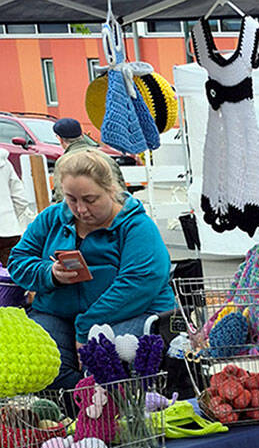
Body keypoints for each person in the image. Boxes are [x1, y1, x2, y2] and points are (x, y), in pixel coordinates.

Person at [7, 149, 174, 391]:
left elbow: (138, 284)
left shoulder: (137, 226)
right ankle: (82, 412)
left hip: (131, 313)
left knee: (108, 361)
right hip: (58, 313)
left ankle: (110, 410)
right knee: (43, 367)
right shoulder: (51, 218)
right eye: (71, 199)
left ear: (111, 190)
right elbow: (18, 261)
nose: (80, 209)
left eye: (90, 199)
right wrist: (49, 273)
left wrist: (86, 326)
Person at [51, 117, 126, 201]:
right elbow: (122, 189)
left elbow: (61, 196)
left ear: (60, 139)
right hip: (115, 208)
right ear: (82, 135)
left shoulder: (63, 162)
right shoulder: (105, 156)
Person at [0, 158, 31, 265]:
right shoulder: (4, 162)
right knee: (14, 273)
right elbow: (21, 199)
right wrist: (9, 217)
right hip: (9, 231)